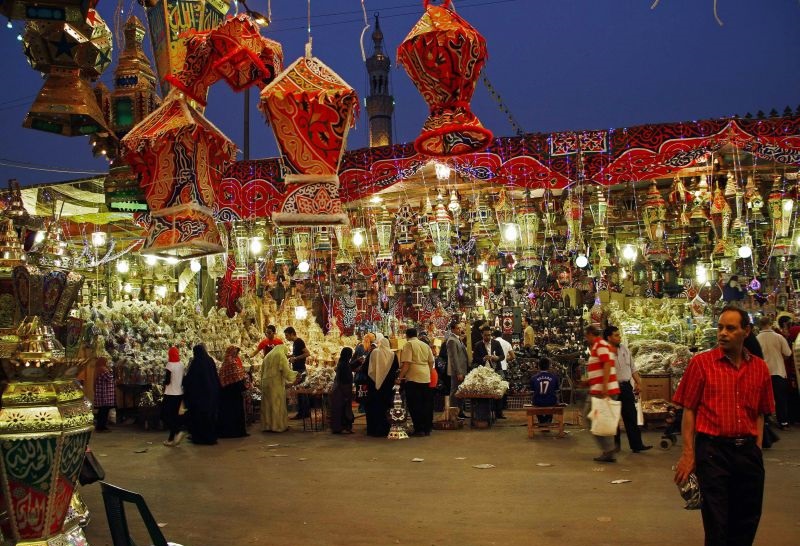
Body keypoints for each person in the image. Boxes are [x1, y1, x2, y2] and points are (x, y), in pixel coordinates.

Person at [673, 306, 774, 546]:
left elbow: (761, 413)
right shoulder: (701, 364)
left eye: (730, 328)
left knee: (747, 520)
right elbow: (689, 409)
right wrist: (689, 454)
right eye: (720, 328)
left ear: (746, 331)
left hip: (747, 454)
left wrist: (756, 447)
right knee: (717, 524)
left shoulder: (759, 368)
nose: (722, 333)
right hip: (713, 453)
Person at [604, 325, 652, 453]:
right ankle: (615, 446)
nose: (619, 337)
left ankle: (637, 445)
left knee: (631, 416)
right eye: (616, 335)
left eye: (619, 335)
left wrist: (639, 383)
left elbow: (633, 368)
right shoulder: (604, 352)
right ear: (609, 337)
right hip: (611, 388)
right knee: (613, 418)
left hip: (625, 387)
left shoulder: (624, 349)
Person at [584, 325, 620, 463]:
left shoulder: (600, 345)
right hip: (598, 389)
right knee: (600, 419)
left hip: (603, 390)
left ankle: (608, 448)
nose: (586, 339)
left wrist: (605, 387)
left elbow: (607, 364)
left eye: (586, 336)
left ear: (590, 334)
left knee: (594, 419)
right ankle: (608, 449)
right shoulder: (598, 346)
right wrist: (588, 381)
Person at [756, 316, 792, 429]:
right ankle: (783, 422)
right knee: (781, 398)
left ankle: (765, 421)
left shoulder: (757, 338)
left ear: (760, 325)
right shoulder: (779, 337)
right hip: (778, 371)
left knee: (764, 398)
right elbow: (787, 353)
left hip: (763, 373)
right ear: (771, 324)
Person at [397, 327, 435, 436]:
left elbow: (407, 363)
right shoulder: (425, 345)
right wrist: (427, 372)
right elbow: (431, 362)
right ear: (417, 335)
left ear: (407, 335)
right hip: (425, 377)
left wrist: (399, 377)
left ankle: (419, 429)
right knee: (425, 404)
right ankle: (427, 428)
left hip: (414, 377)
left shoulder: (409, 345)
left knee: (415, 404)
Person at [183, 344, 221, 445]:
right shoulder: (210, 361)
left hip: (199, 397)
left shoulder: (196, 363)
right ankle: (211, 437)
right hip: (211, 394)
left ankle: (200, 438)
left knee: (199, 417)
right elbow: (215, 376)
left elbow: (190, 380)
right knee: (210, 417)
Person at [260, 344, 298, 433]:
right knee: (276, 404)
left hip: (265, 383)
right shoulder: (280, 355)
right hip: (275, 383)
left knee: (267, 405)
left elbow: (262, 371)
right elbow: (285, 371)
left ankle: (267, 426)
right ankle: (277, 426)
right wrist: (296, 375)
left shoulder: (267, 356)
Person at [365, 336, 398, 437]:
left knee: (373, 407)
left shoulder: (374, 352)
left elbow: (366, 367)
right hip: (387, 386)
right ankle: (385, 430)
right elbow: (396, 369)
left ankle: (373, 430)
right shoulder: (393, 355)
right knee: (385, 407)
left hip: (373, 385)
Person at [471, 326, 507, 418]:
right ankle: (486, 412)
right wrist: (483, 359)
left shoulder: (496, 343)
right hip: (484, 372)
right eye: (486, 335)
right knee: (485, 392)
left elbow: (502, 356)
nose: (488, 337)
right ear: (482, 335)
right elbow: (475, 359)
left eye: (489, 335)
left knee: (499, 391)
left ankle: (499, 412)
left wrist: (497, 358)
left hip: (496, 370)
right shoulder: (478, 345)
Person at [217, 346, 248, 438]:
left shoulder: (224, 364)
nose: (236, 354)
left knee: (227, 413)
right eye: (235, 352)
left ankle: (228, 432)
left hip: (226, 393)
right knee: (236, 412)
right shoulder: (232, 363)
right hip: (234, 393)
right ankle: (237, 432)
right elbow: (237, 379)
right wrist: (243, 388)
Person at [443, 321, 469, 419]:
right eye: (458, 328)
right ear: (453, 329)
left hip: (462, 369)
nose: (460, 330)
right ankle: (454, 413)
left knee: (460, 391)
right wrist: (458, 372)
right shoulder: (452, 340)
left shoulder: (458, 339)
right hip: (457, 371)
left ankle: (460, 411)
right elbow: (454, 358)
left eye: (460, 328)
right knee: (454, 392)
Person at [285, 327, 311, 420]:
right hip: (297, 369)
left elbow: (307, 353)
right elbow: (297, 354)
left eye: (287, 335)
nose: (286, 337)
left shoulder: (299, 341)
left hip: (300, 370)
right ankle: (304, 412)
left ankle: (303, 413)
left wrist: (295, 358)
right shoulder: (295, 343)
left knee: (301, 391)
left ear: (292, 334)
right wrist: (289, 356)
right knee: (300, 391)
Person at [162, 347, 186, 446]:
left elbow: (167, 381)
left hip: (170, 394)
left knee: (166, 415)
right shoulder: (181, 365)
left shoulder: (169, 365)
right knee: (175, 416)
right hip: (179, 393)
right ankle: (171, 439)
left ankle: (177, 432)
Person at [330, 347, 356, 434]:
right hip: (342, 390)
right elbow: (344, 379)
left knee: (341, 409)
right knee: (344, 409)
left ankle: (339, 427)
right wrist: (346, 392)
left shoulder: (343, 363)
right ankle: (342, 427)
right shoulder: (344, 365)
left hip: (341, 390)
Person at [530, 357, 559, 423]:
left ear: (539, 366)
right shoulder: (554, 377)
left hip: (538, 402)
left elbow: (532, 393)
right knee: (552, 400)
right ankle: (548, 419)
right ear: (549, 366)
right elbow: (557, 392)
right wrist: (557, 402)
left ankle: (541, 419)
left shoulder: (533, 378)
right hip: (551, 402)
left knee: (535, 401)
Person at [494, 329, 514, 418]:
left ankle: (494, 409)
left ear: (493, 336)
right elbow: (513, 356)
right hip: (503, 368)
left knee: (494, 388)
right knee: (502, 389)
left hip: (494, 368)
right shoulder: (507, 343)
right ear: (501, 335)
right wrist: (505, 360)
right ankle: (501, 408)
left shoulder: (493, 343)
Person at [93, 357, 115, 433]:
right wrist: (110, 369)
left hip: (102, 394)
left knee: (103, 411)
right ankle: (101, 427)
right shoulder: (103, 370)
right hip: (104, 394)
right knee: (103, 411)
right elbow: (110, 378)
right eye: (106, 361)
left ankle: (102, 426)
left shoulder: (98, 369)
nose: (107, 363)